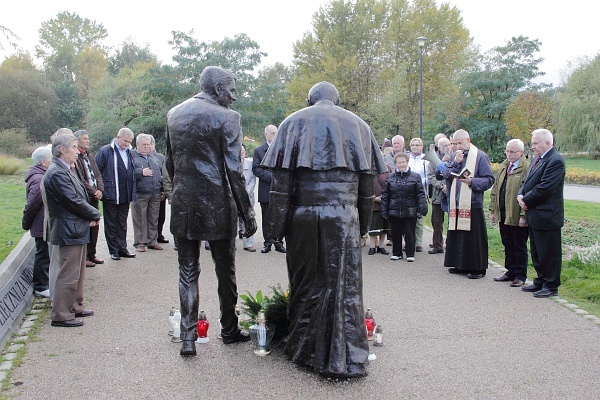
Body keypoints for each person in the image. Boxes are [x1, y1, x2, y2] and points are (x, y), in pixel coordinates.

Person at [262, 81, 387, 378]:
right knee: (345, 286)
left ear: (309, 100)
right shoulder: (359, 126)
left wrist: (274, 231)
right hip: (345, 217)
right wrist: (363, 227)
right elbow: (367, 189)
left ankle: (305, 348)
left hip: (304, 214)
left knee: (307, 282)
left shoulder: (292, 122)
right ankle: (347, 353)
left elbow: (281, 188)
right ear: (338, 100)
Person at [166, 66, 257, 356]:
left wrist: (179, 192)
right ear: (218, 89)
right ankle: (229, 330)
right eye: (231, 90)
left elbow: (169, 163)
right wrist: (248, 213)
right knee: (225, 270)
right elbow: (233, 169)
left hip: (184, 203)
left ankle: (188, 338)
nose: (234, 96)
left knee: (187, 272)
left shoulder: (174, 113)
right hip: (217, 205)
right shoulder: (228, 117)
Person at [43, 133, 101, 327]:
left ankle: (74, 306)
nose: (78, 151)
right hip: (68, 229)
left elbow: (80, 196)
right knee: (67, 273)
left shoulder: (67, 170)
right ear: (62, 149)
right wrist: (94, 214)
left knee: (77, 273)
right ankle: (61, 314)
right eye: (74, 147)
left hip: (76, 227)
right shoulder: (57, 172)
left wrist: (88, 216)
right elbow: (72, 201)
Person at [440, 129, 494, 279]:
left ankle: (478, 268)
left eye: (460, 143)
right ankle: (459, 264)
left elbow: (489, 179)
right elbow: (445, 175)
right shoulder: (453, 156)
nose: (457, 146)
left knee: (472, 238)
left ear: (468, 140)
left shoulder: (480, 156)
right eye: (454, 143)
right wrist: (455, 163)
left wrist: (472, 181)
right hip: (456, 202)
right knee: (458, 235)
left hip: (472, 202)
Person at [518, 129, 565, 298]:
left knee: (549, 252)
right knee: (537, 251)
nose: (533, 146)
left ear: (548, 143)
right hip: (534, 215)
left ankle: (551, 285)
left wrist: (526, 200)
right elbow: (526, 180)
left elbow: (545, 188)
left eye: (536, 143)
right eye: (532, 143)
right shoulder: (537, 160)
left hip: (547, 216)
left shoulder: (555, 161)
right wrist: (520, 195)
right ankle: (541, 280)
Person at [489, 139, 530, 287]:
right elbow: (495, 189)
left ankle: (520, 274)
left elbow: (527, 192)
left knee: (519, 244)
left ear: (521, 152)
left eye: (512, 151)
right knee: (507, 242)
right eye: (507, 151)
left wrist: (523, 216)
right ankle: (510, 271)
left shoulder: (526, 168)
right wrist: (493, 210)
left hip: (516, 212)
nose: (509, 154)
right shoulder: (504, 166)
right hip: (503, 211)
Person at [95, 128, 137, 260]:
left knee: (122, 223)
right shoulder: (105, 151)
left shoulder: (130, 152)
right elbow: (97, 172)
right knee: (111, 223)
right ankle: (113, 250)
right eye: (125, 141)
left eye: (129, 142)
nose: (127, 144)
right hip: (111, 193)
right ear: (118, 137)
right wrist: (101, 189)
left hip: (125, 193)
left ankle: (122, 248)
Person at [381, 152, 428, 262]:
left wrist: (422, 209)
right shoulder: (390, 177)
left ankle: (410, 253)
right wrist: (384, 210)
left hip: (410, 210)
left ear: (407, 162)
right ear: (395, 164)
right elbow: (386, 195)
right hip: (394, 210)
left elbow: (420, 194)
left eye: (403, 162)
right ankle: (397, 253)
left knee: (410, 234)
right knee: (395, 233)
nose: (401, 164)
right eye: (399, 162)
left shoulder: (415, 176)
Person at [22, 146, 53, 298]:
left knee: (45, 253)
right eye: (50, 159)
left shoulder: (41, 175)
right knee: (43, 254)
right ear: (43, 162)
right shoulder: (39, 178)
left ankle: (45, 283)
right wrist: (26, 223)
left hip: (44, 222)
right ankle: (41, 286)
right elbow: (32, 204)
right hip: (41, 223)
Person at [73, 129, 105, 267]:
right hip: (85, 196)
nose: (88, 141)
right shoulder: (76, 158)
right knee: (87, 225)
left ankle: (92, 254)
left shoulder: (89, 156)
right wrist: (93, 191)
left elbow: (97, 173)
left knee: (95, 225)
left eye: (88, 138)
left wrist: (100, 190)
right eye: (85, 138)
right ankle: (84, 256)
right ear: (77, 140)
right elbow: (80, 178)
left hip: (95, 196)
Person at [252, 124, 286, 254]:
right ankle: (267, 243)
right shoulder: (259, 151)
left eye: (276, 132)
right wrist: (272, 177)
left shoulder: (283, 149)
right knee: (266, 217)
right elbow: (256, 169)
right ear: (265, 134)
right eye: (272, 133)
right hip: (266, 188)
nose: (274, 135)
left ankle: (279, 242)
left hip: (280, 190)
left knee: (279, 217)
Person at [131, 133, 163, 252]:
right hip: (140, 193)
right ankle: (140, 243)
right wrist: (140, 172)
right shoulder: (132, 156)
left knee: (153, 218)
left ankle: (152, 241)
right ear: (137, 144)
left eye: (148, 144)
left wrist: (162, 189)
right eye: (143, 144)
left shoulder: (153, 157)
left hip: (155, 192)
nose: (146, 147)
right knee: (140, 219)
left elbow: (161, 174)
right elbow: (126, 173)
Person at [426, 137, 451, 254]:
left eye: (448, 145)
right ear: (439, 147)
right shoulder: (433, 159)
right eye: (444, 146)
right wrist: (442, 186)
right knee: (436, 221)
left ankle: (450, 244)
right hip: (438, 194)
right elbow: (430, 177)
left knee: (452, 221)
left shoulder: (455, 157)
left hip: (452, 194)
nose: (447, 148)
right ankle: (437, 245)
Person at [407, 137, 429, 252]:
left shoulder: (425, 160)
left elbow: (428, 176)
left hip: (420, 192)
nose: (415, 147)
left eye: (417, 145)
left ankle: (418, 242)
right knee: (408, 218)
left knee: (419, 219)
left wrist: (418, 182)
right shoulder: (407, 158)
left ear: (421, 146)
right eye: (413, 145)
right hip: (407, 193)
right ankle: (409, 241)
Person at [149, 136, 169, 244]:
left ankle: (159, 234)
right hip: (149, 191)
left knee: (161, 215)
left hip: (161, 190)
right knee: (151, 215)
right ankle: (151, 236)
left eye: (151, 144)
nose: (149, 146)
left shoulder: (161, 157)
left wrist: (164, 190)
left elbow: (165, 174)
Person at [367, 164, 390, 256]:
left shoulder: (387, 168)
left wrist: (385, 197)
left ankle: (381, 246)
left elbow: (390, 182)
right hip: (373, 204)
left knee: (384, 226)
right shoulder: (368, 168)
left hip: (385, 203)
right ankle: (372, 246)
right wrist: (374, 198)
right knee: (373, 226)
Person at [239, 144, 257, 252]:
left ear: (245, 153)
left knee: (248, 219)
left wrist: (244, 194)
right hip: (232, 197)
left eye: (241, 152)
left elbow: (253, 180)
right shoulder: (229, 164)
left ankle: (248, 244)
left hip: (247, 197)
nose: (240, 155)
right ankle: (231, 244)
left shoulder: (250, 163)